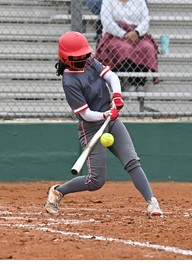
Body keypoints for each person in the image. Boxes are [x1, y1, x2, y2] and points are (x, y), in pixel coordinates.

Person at [44, 31, 163, 217]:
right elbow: (86, 114)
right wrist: (105, 113)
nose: (84, 59)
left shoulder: (90, 62)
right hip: (91, 127)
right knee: (96, 181)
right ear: (66, 59)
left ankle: (151, 202)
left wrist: (116, 95)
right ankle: (58, 191)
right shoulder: (69, 82)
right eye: (78, 57)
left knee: (132, 160)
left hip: (111, 119)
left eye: (84, 55)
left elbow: (112, 77)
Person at [95, 0, 158, 92]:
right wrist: (124, 34)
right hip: (115, 34)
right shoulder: (108, 1)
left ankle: (140, 82)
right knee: (124, 48)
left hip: (138, 35)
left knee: (147, 48)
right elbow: (107, 21)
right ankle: (130, 81)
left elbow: (145, 20)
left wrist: (136, 32)